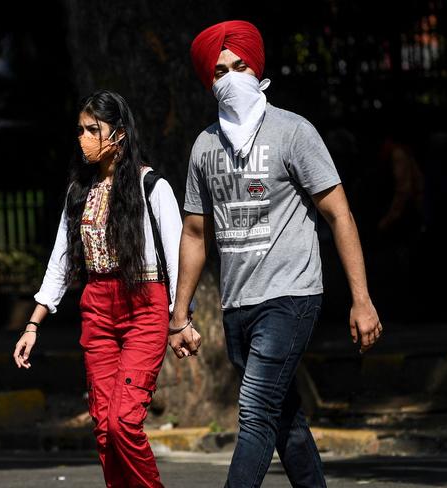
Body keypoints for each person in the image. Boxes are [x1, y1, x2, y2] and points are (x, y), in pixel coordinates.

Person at [168, 21, 383, 488]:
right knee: (284, 420)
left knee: (255, 411)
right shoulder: (205, 146)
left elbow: (339, 214)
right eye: (221, 71)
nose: (232, 78)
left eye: (240, 67)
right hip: (237, 305)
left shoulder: (293, 132)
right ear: (210, 81)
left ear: (257, 69)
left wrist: (361, 299)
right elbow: (194, 232)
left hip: (291, 296)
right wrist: (179, 312)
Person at [13, 90, 196, 487]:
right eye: (80, 130)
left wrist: (181, 319)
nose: (83, 138)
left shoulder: (153, 187)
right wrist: (33, 324)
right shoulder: (78, 192)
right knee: (102, 426)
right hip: (96, 307)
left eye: (93, 130)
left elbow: (180, 255)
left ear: (119, 135)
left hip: (145, 305)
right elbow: (60, 260)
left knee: (123, 423)